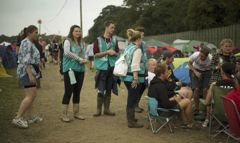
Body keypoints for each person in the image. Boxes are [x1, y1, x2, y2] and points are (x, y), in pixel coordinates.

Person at [13, 25, 42, 128]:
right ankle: (18, 118)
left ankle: (30, 117)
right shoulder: (26, 43)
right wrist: (30, 75)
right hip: (26, 72)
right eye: (35, 32)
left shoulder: (30, 43)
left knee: (32, 95)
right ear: (29, 33)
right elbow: (26, 61)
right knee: (30, 95)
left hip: (30, 71)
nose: (37, 34)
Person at [148, 63, 194, 128]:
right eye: (166, 72)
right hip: (162, 112)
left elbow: (164, 94)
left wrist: (175, 95)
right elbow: (167, 105)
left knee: (180, 98)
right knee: (188, 101)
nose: (168, 73)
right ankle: (190, 123)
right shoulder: (161, 86)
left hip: (154, 109)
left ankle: (185, 122)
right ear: (162, 74)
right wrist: (176, 100)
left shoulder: (154, 83)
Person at [61, 25, 88, 122]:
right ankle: (63, 114)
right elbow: (67, 52)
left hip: (80, 70)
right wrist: (79, 59)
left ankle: (76, 113)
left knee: (77, 92)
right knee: (68, 92)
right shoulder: (68, 41)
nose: (78, 33)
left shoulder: (82, 43)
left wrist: (85, 59)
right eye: (76, 31)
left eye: (79, 31)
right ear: (72, 32)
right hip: (70, 70)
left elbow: (84, 54)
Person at [93, 20, 119, 117]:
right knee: (101, 89)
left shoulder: (114, 40)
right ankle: (98, 110)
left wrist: (115, 53)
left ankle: (107, 109)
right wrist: (107, 52)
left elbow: (118, 53)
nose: (113, 29)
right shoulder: (98, 40)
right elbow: (95, 54)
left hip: (112, 68)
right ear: (106, 27)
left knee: (109, 89)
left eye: (114, 27)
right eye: (112, 27)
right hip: (102, 69)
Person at [122, 29, 145, 128]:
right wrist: (135, 79)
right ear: (138, 39)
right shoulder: (137, 49)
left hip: (126, 77)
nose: (142, 40)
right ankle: (131, 121)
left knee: (131, 97)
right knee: (132, 98)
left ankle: (131, 118)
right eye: (141, 38)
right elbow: (135, 65)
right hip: (133, 77)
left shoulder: (128, 47)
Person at [202, 63, 235, 127]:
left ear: (222, 72)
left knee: (209, 103)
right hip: (234, 115)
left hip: (217, 113)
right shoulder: (237, 85)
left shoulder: (214, 85)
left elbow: (206, 102)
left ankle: (207, 120)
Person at [188, 46, 212, 115]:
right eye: (200, 55)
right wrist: (195, 72)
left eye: (203, 57)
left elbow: (212, 69)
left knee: (205, 90)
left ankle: (205, 108)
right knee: (196, 89)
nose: (201, 57)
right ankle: (196, 108)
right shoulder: (195, 55)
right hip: (195, 69)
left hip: (207, 71)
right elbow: (189, 64)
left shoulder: (210, 58)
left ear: (207, 56)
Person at [134, 26, 148, 113]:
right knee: (136, 89)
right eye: (141, 35)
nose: (142, 37)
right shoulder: (133, 44)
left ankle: (136, 104)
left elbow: (145, 56)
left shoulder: (144, 44)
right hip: (137, 71)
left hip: (144, 70)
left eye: (143, 35)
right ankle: (134, 106)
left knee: (143, 87)